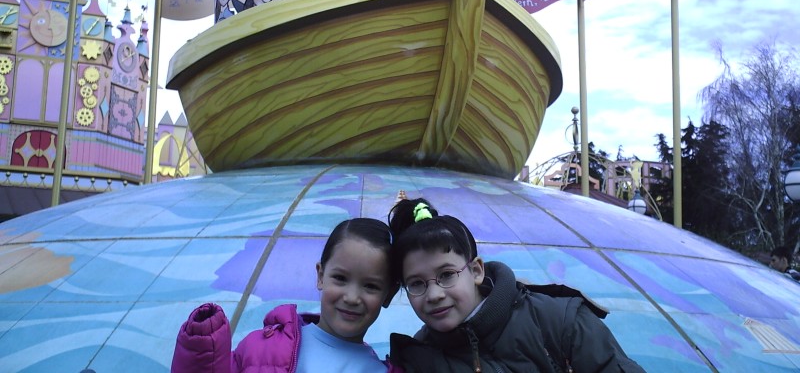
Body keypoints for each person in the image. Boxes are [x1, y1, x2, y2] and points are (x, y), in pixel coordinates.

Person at [387, 197, 645, 372]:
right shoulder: (419, 360)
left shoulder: (560, 322)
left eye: (446, 275)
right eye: (416, 283)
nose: (434, 294)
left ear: (476, 271)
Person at [171, 218, 402, 372]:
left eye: (370, 286)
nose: (352, 297)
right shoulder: (260, 347)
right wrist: (201, 349)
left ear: (388, 295)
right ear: (320, 275)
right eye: (340, 278)